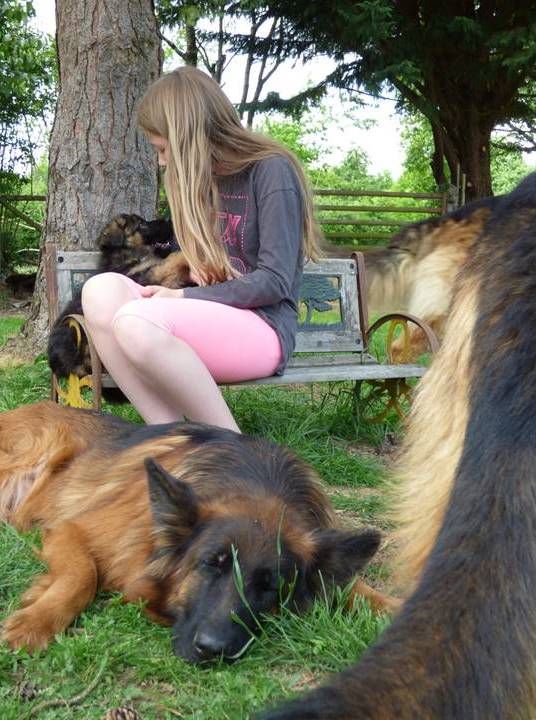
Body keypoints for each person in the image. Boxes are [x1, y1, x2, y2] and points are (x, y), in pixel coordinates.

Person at [81, 66, 321, 431]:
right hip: (215, 315)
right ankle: (169, 438)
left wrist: (182, 300)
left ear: (187, 135)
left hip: (264, 327)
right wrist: (198, 270)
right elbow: (215, 268)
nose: (161, 161)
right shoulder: (206, 182)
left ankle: (232, 450)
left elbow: (275, 281)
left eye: (163, 149)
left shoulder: (271, 172)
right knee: (100, 291)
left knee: (135, 324)